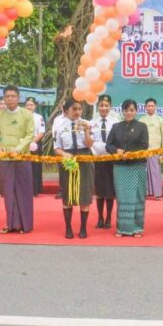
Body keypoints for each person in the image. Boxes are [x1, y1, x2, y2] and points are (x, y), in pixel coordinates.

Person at [0, 85, 35, 234]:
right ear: (4, 98)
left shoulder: (26, 114)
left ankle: (25, 225)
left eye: (13, 96)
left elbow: (30, 135)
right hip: (5, 158)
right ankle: (11, 224)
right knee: (8, 191)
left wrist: (18, 148)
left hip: (22, 157)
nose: (10, 99)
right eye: (7, 96)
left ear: (18, 98)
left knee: (23, 190)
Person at [106, 99, 149, 237]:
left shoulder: (142, 126)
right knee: (123, 197)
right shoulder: (116, 126)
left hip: (137, 166)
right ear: (122, 111)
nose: (129, 113)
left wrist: (129, 154)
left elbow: (144, 145)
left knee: (137, 197)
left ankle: (137, 228)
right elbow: (108, 145)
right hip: (120, 167)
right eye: (126, 110)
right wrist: (117, 151)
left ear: (136, 111)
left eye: (132, 110)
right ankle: (122, 228)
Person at [54, 99, 94, 239]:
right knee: (67, 194)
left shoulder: (86, 124)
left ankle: (83, 228)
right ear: (66, 111)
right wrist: (65, 154)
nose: (77, 112)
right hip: (68, 159)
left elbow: (89, 144)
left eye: (79, 109)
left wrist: (87, 131)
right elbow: (56, 147)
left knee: (84, 193)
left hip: (84, 158)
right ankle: (68, 228)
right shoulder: (60, 126)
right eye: (74, 109)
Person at [90, 95, 119, 228]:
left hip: (111, 159)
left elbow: (117, 141)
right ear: (98, 107)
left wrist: (107, 149)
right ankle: (100, 218)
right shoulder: (91, 123)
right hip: (98, 159)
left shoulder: (115, 122)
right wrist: (99, 150)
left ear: (110, 107)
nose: (104, 108)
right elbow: (90, 142)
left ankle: (108, 218)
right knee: (100, 190)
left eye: (106, 105)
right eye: (101, 105)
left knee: (110, 191)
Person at [139, 98, 163, 200]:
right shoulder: (141, 120)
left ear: (156, 107)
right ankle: (144, 193)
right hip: (144, 151)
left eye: (152, 106)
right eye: (148, 106)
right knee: (143, 172)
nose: (150, 108)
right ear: (145, 107)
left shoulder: (160, 120)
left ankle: (157, 194)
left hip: (156, 150)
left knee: (156, 172)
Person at [24, 97, 46, 197]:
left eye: (31, 105)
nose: (29, 107)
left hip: (35, 143)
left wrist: (32, 142)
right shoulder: (21, 116)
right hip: (23, 144)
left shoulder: (39, 117)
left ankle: (35, 190)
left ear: (35, 106)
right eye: (28, 105)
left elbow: (41, 132)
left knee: (35, 167)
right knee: (23, 167)